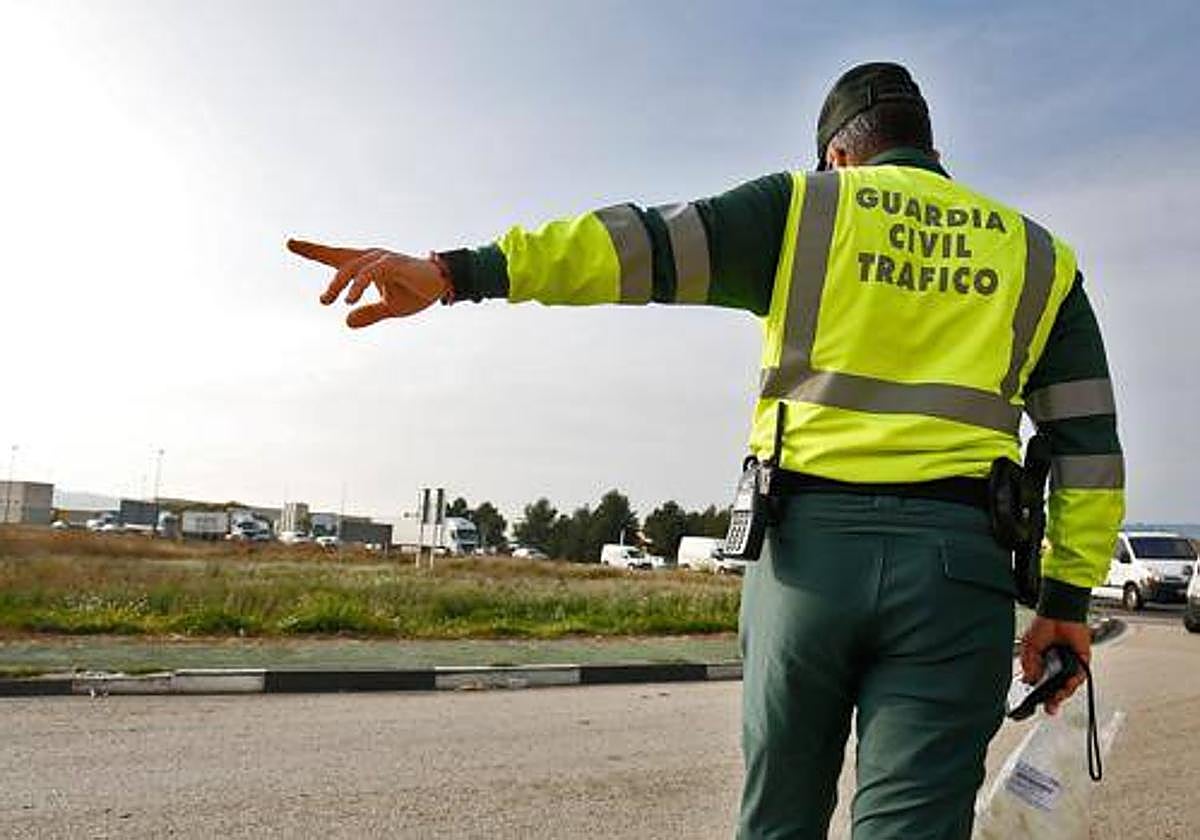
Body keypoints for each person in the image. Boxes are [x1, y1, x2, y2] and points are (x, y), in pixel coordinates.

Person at [289, 62, 1124, 839]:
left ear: (838, 156)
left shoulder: (804, 208)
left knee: (779, 816)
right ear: (932, 149)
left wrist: (456, 273)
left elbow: (632, 245)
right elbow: (1087, 445)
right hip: (958, 574)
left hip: (805, 562)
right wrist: (1065, 600)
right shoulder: (1038, 256)